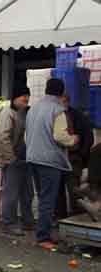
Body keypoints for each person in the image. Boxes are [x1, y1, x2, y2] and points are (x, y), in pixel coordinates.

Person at [26, 78, 79, 250]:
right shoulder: (58, 110)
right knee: (48, 200)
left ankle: (42, 233)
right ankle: (43, 237)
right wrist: (73, 139)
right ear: (62, 92)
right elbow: (60, 136)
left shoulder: (33, 108)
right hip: (49, 160)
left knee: (43, 198)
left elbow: (27, 135)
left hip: (33, 157)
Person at [0, 86, 34, 236]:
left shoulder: (21, 112)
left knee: (27, 192)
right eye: (23, 99)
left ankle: (28, 221)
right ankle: (9, 224)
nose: (26, 102)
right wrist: (11, 158)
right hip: (10, 159)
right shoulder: (7, 113)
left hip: (22, 158)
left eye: (27, 99)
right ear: (15, 98)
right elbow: (2, 138)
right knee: (11, 193)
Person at [56, 95, 94, 217]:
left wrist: (81, 154)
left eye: (62, 102)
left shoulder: (78, 116)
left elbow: (88, 137)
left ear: (67, 102)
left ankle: (77, 216)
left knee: (74, 189)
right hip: (59, 157)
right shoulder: (56, 115)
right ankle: (61, 216)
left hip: (73, 157)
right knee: (58, 190)